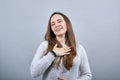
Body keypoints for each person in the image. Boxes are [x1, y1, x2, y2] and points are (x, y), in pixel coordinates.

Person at [30, 12, 92, 80]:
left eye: (59, 21)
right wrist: (52, 53)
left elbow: (87, 75)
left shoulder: (79, 49)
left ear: (67, 23)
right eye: (53, 24)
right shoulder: (44, 46)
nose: (56, 25)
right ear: (51, 29)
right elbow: (33, 73)